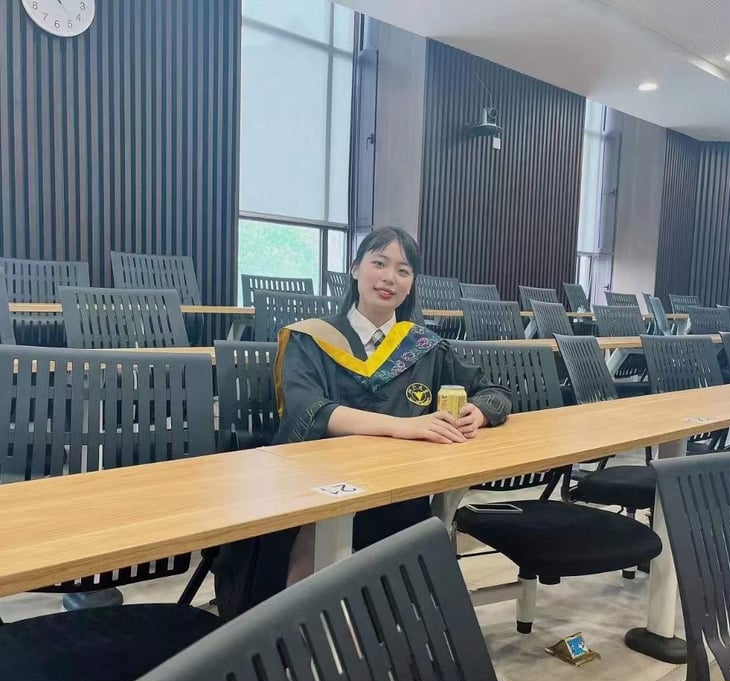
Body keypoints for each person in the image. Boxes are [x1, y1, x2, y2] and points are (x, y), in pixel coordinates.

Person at [214, 227, 512, 619]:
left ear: (411, 286)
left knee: (401, 593)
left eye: (403, 271)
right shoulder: (310, 339)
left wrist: (482, 410)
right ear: (355, 270)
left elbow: (493, 391)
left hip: (396, 494)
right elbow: (308, 409)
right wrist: (402, 426)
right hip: (318, 492)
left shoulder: (425, 347)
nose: (389, 277)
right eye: (379, 263)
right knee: (305, 581)